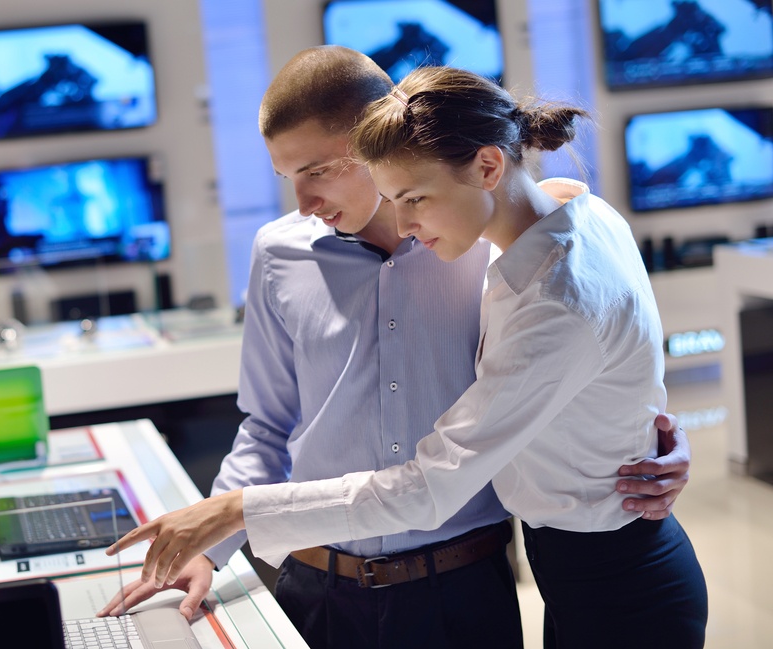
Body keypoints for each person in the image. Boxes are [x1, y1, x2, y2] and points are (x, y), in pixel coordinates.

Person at [104, 49, 695, 649]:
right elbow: (269, 425)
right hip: (318, 583)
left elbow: (586, 342)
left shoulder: (492, 250)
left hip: (466, 584)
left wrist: (648, 439)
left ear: (379, 138)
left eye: (320, 169)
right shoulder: (279, 253)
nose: (303, 202)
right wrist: (212, 544)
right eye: (290, 178)